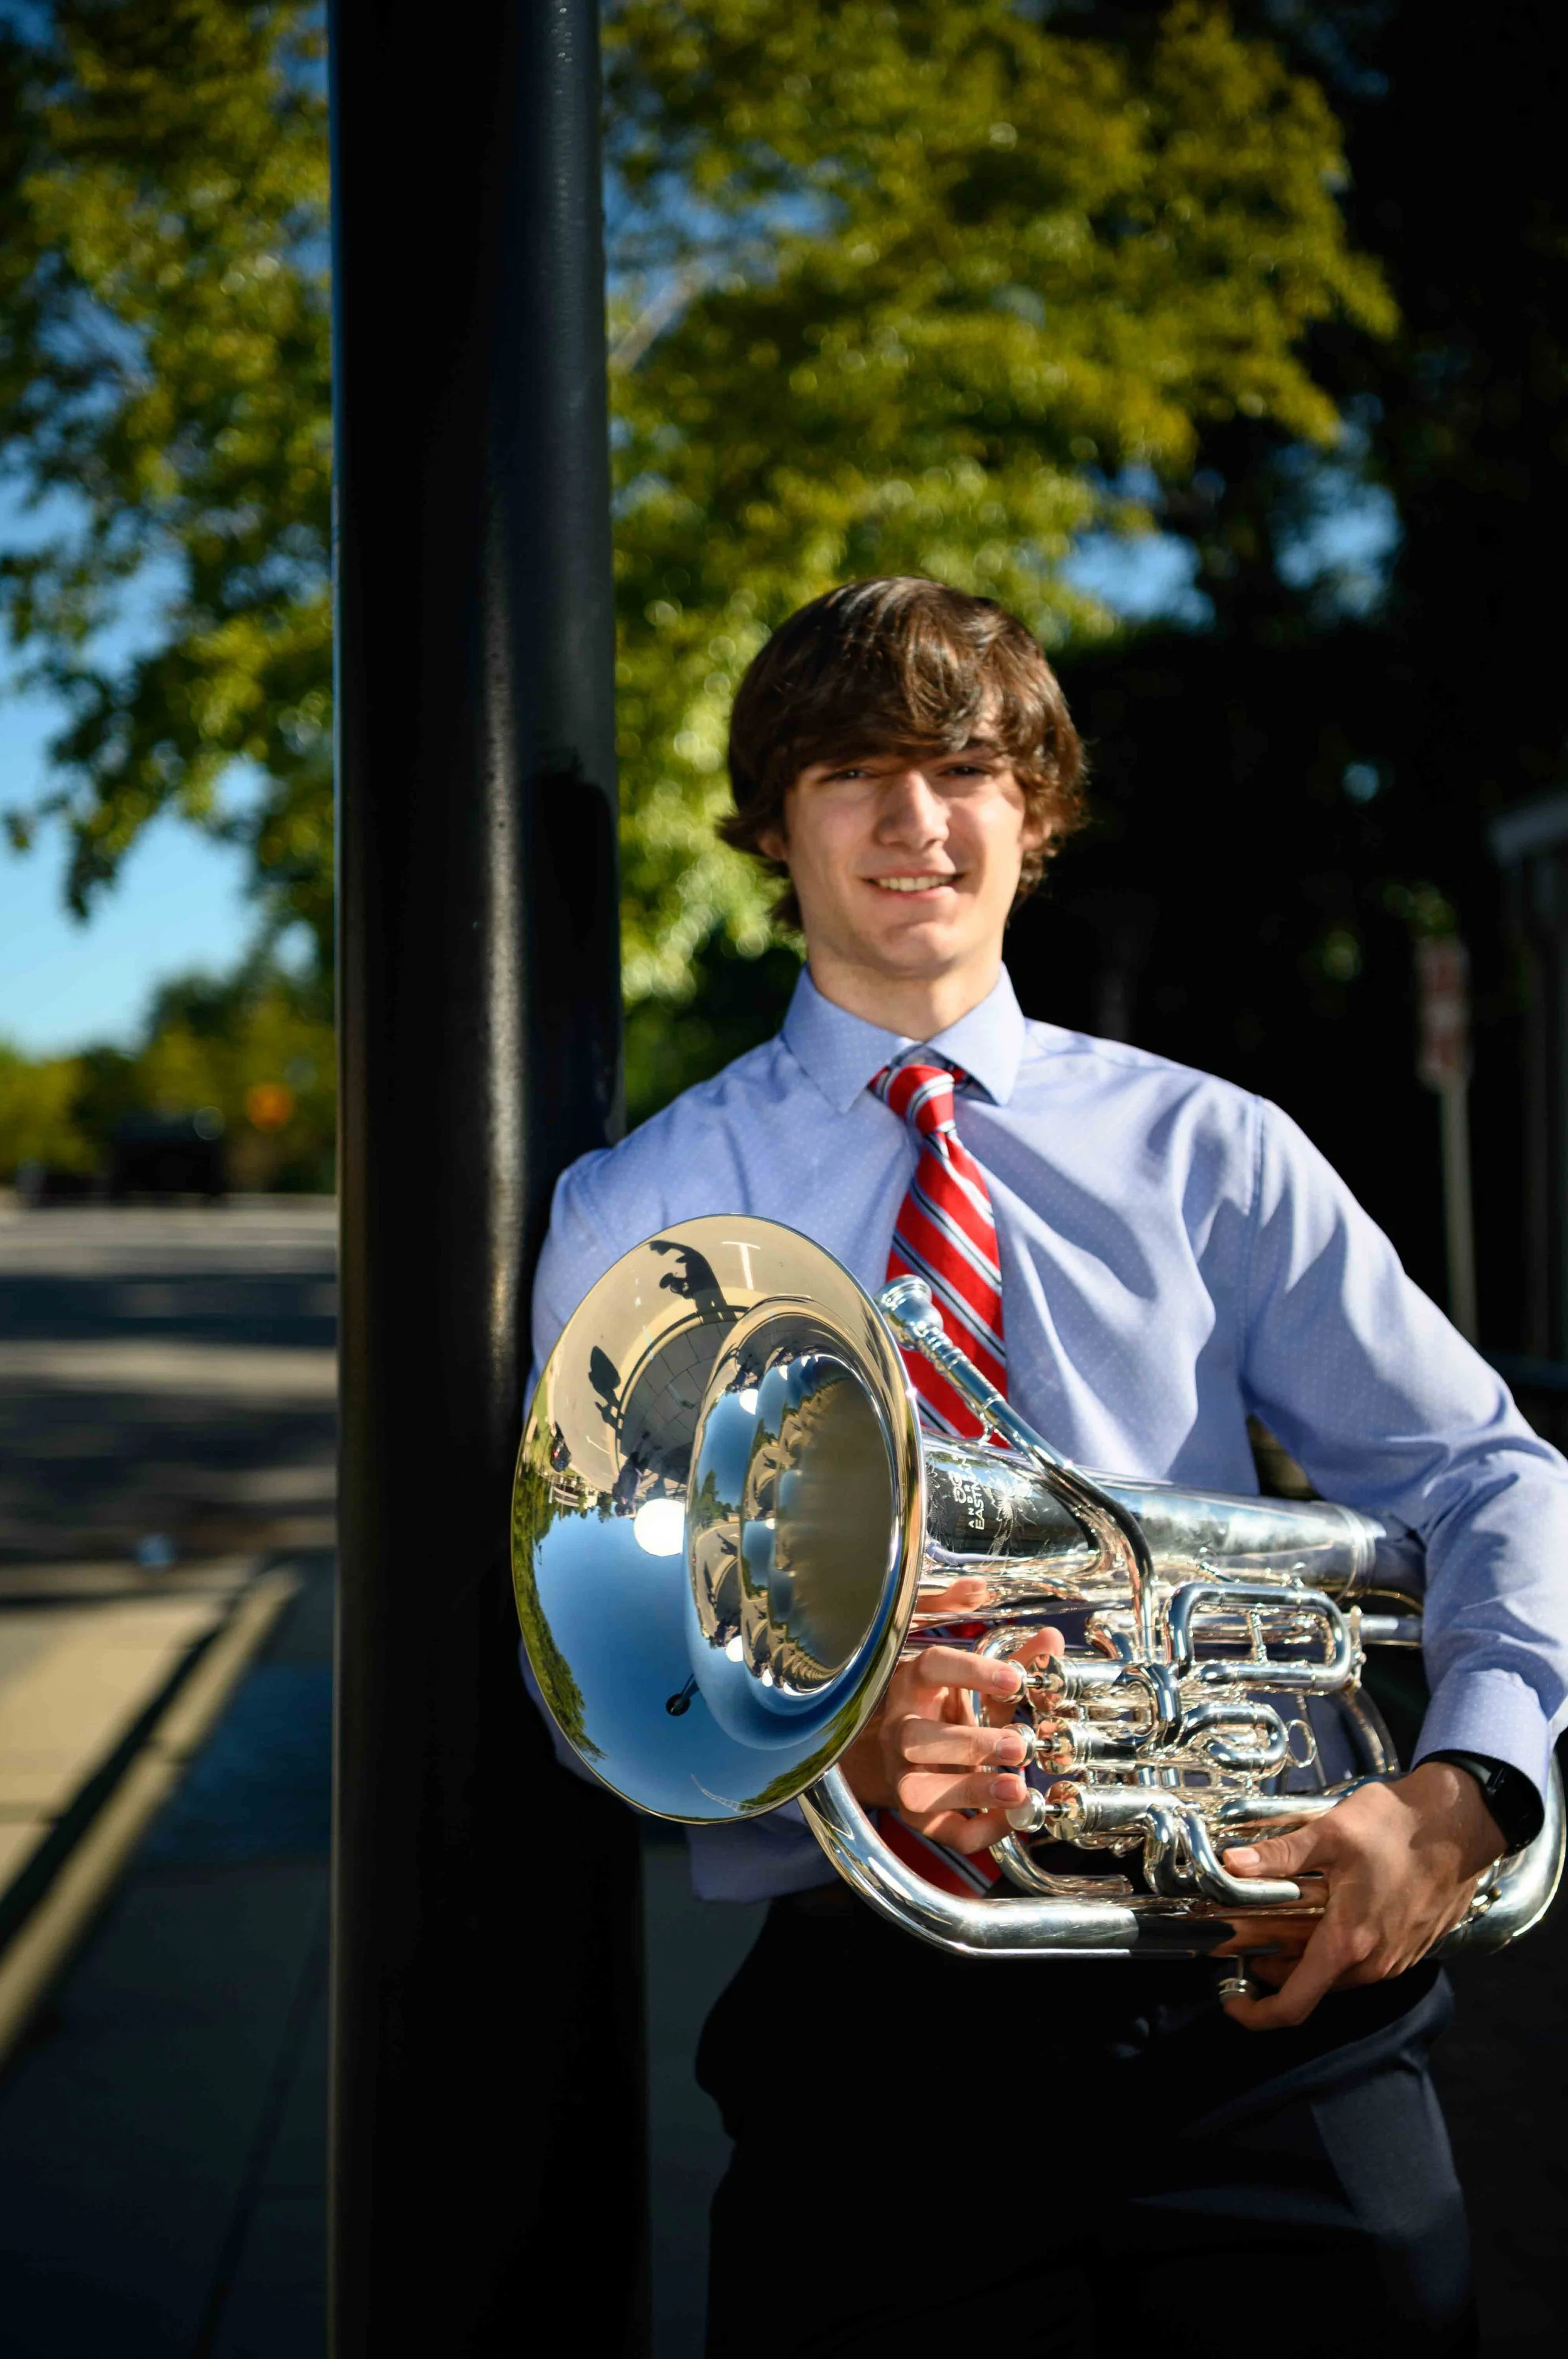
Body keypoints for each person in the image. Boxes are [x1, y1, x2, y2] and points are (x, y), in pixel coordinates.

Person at [528, 578, 1568, 2356]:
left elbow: (1482, 1469)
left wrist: (1466, 1783)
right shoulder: (640, 1209)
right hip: (874, 2034)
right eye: (852, 768)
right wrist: (825, 1742)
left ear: (1037, 810)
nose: (913, 819)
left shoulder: (1212, 1148)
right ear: (773, 821)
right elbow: (593, 1653)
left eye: (963, 767)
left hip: (1264, 1988)